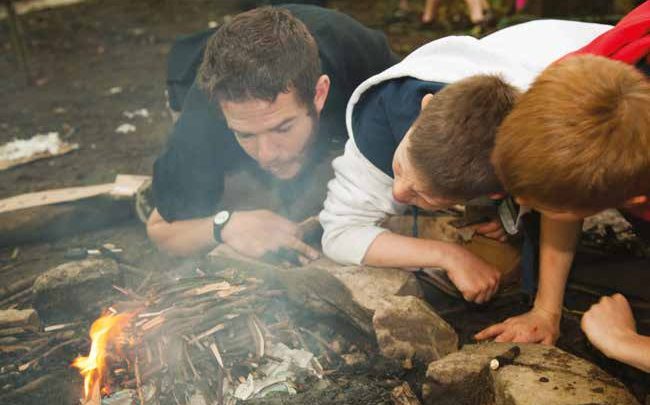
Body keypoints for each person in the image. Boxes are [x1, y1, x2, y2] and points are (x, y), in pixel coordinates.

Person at [319, 19, 610, 303]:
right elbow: (340, 231)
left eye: (422, 195)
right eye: (399, 167)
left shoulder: (556, 147)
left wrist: (547, 309)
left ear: (498, 191)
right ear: (426, 107)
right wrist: (448, 255)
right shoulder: (385, 114)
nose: (398, 192)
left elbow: (562, 202)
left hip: (606, 87)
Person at [476, 2, 650, 371]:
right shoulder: (582, 79)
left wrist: (626, 342)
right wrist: (546, 310)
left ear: (634, 198)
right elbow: (564, 177)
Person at [146, 5, 397, 259]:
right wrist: (225, 225)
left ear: (319, 94)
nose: (266, 156)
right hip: (188, 72)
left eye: (282, 128)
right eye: (245, 135)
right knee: (205, 191)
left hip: (341, 65)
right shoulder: (204, 120)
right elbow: (160, 230)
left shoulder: (361, 63)